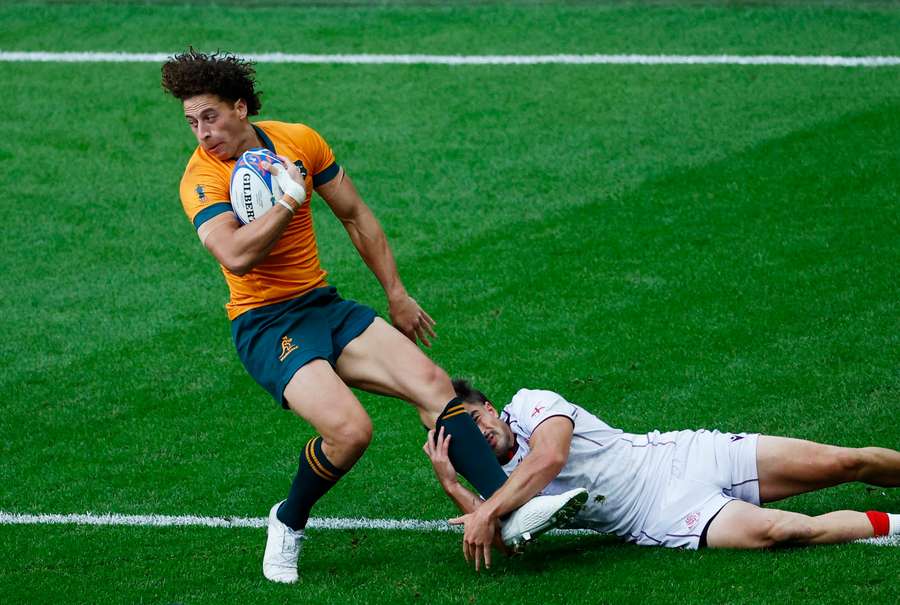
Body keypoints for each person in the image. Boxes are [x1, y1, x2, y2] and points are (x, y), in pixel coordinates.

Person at [160, 49, 578, 583]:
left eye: (210, 116)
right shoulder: (200, 179)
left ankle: (506, 505)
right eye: (191, 121)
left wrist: (396, 293)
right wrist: (286, 203)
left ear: (240, 107)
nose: (201, 132)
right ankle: (287, 522)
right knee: (351, 431)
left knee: (433, 383)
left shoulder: (298, 141)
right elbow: (236, 255)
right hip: (267, 324)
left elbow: (355, 215)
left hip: (321, 305)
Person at [425, 379, 900, 560]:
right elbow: (501, 541)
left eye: (475, 420)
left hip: (680, 455)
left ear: (488, 408)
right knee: (780, 530)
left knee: (844, 461)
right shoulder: (496, 487)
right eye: (467, 437)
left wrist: (488, 510)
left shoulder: (531, 404)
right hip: (660, 515)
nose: (480, 433)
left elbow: (550, 459)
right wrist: (453, 485)